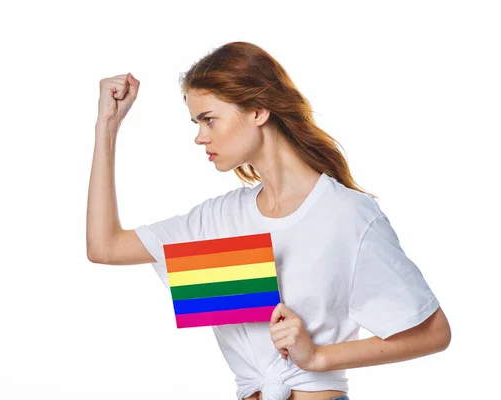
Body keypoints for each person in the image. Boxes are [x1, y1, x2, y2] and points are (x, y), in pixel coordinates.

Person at [86, 42, 452, 400]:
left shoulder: (346, 215)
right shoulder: (218, 217)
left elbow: (433, 332)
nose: (199, 136)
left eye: (209, 119)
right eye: (197, 122)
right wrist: (108, 125)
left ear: (258, 110)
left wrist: (319, 357)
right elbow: (105, 247)